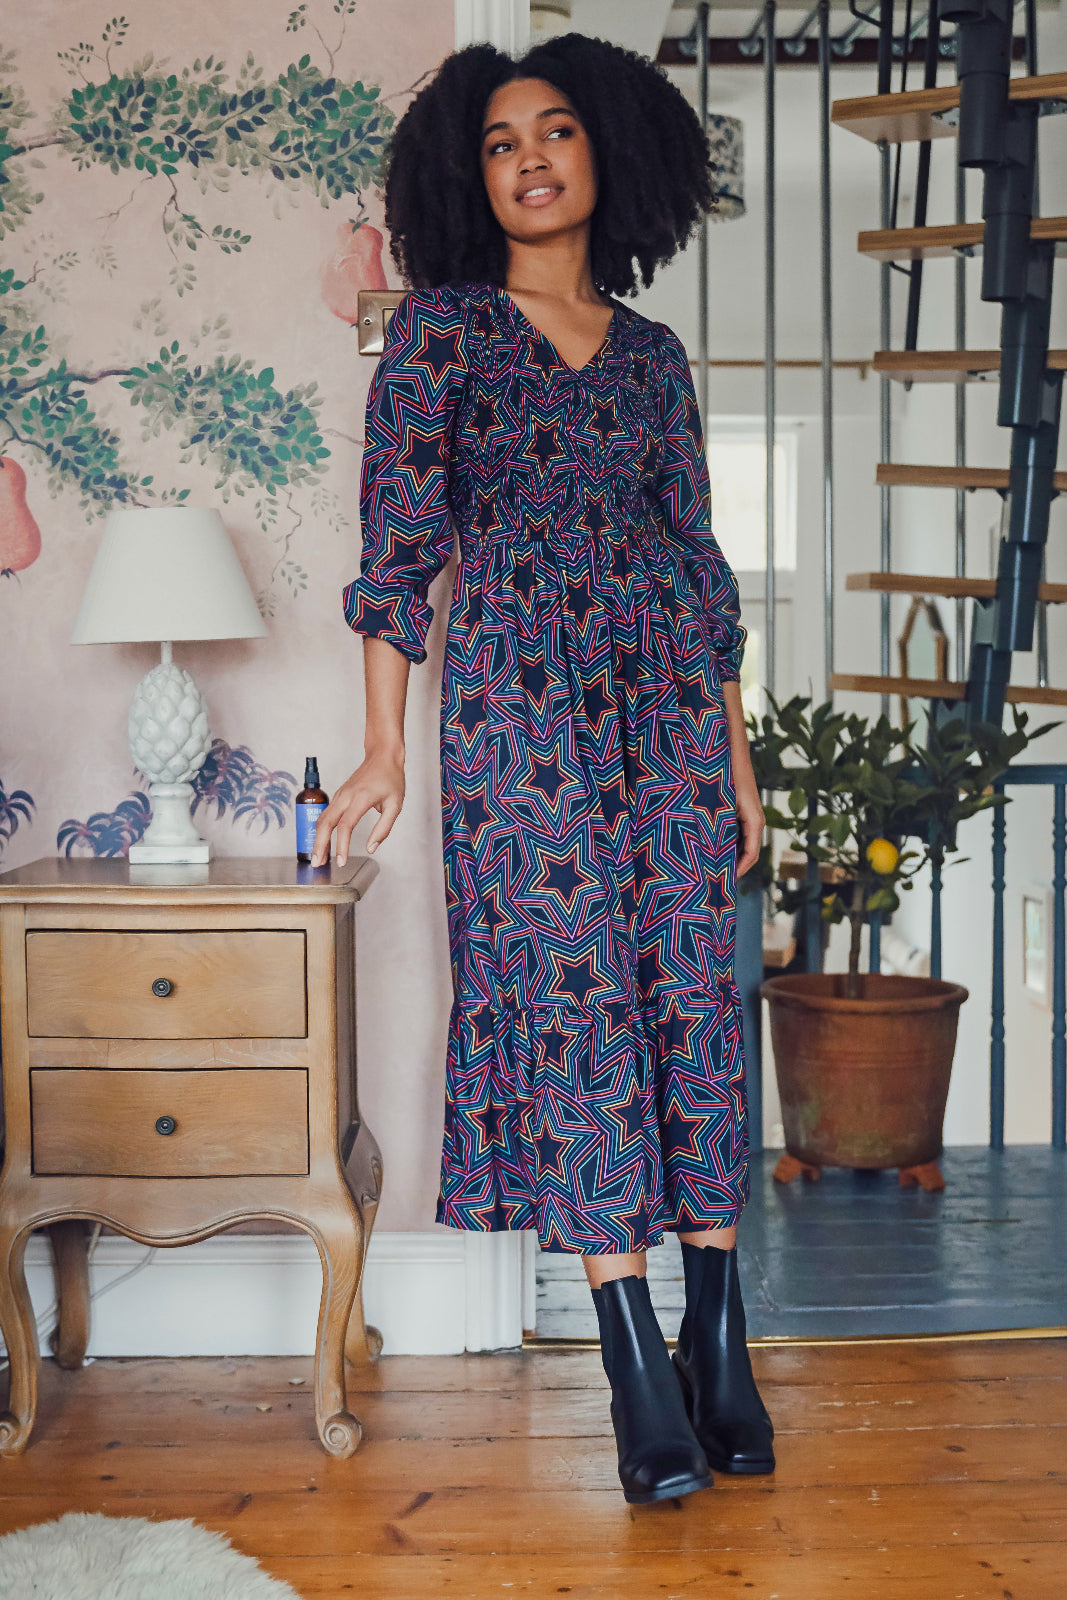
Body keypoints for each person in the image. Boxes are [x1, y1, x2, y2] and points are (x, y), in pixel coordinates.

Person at [311, 30, 775, 1504]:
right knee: (574, 999)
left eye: (555, 132)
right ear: (471, 172)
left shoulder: (654, 357)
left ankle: (719, 1329)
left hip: (669, 714)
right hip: (518, 707)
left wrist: (740, 765)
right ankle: (631, 1348)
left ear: (607, 156)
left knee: (695, 998)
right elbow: (399, 555)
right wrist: (386, 744)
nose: (529, 159)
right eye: (501, 141)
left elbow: (702, 580)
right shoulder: (439, 336)